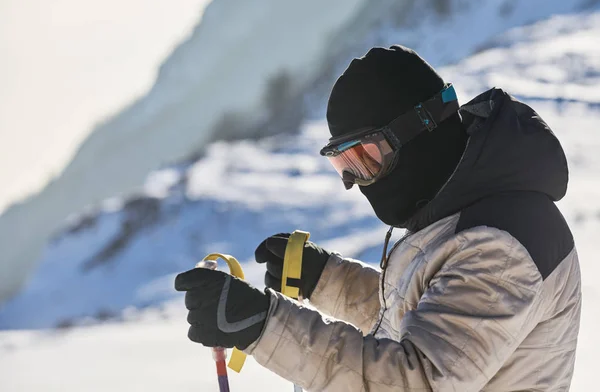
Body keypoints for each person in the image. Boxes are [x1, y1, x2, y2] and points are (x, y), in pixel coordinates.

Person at [175, 46, 581, 391]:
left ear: (422, 130)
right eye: (344, 164)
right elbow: (428, 321)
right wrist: (328, 280)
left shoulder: (501, 246)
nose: (356, 182)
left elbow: (414, 379)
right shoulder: (470, 213)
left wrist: (261, 324)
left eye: (366, 158)